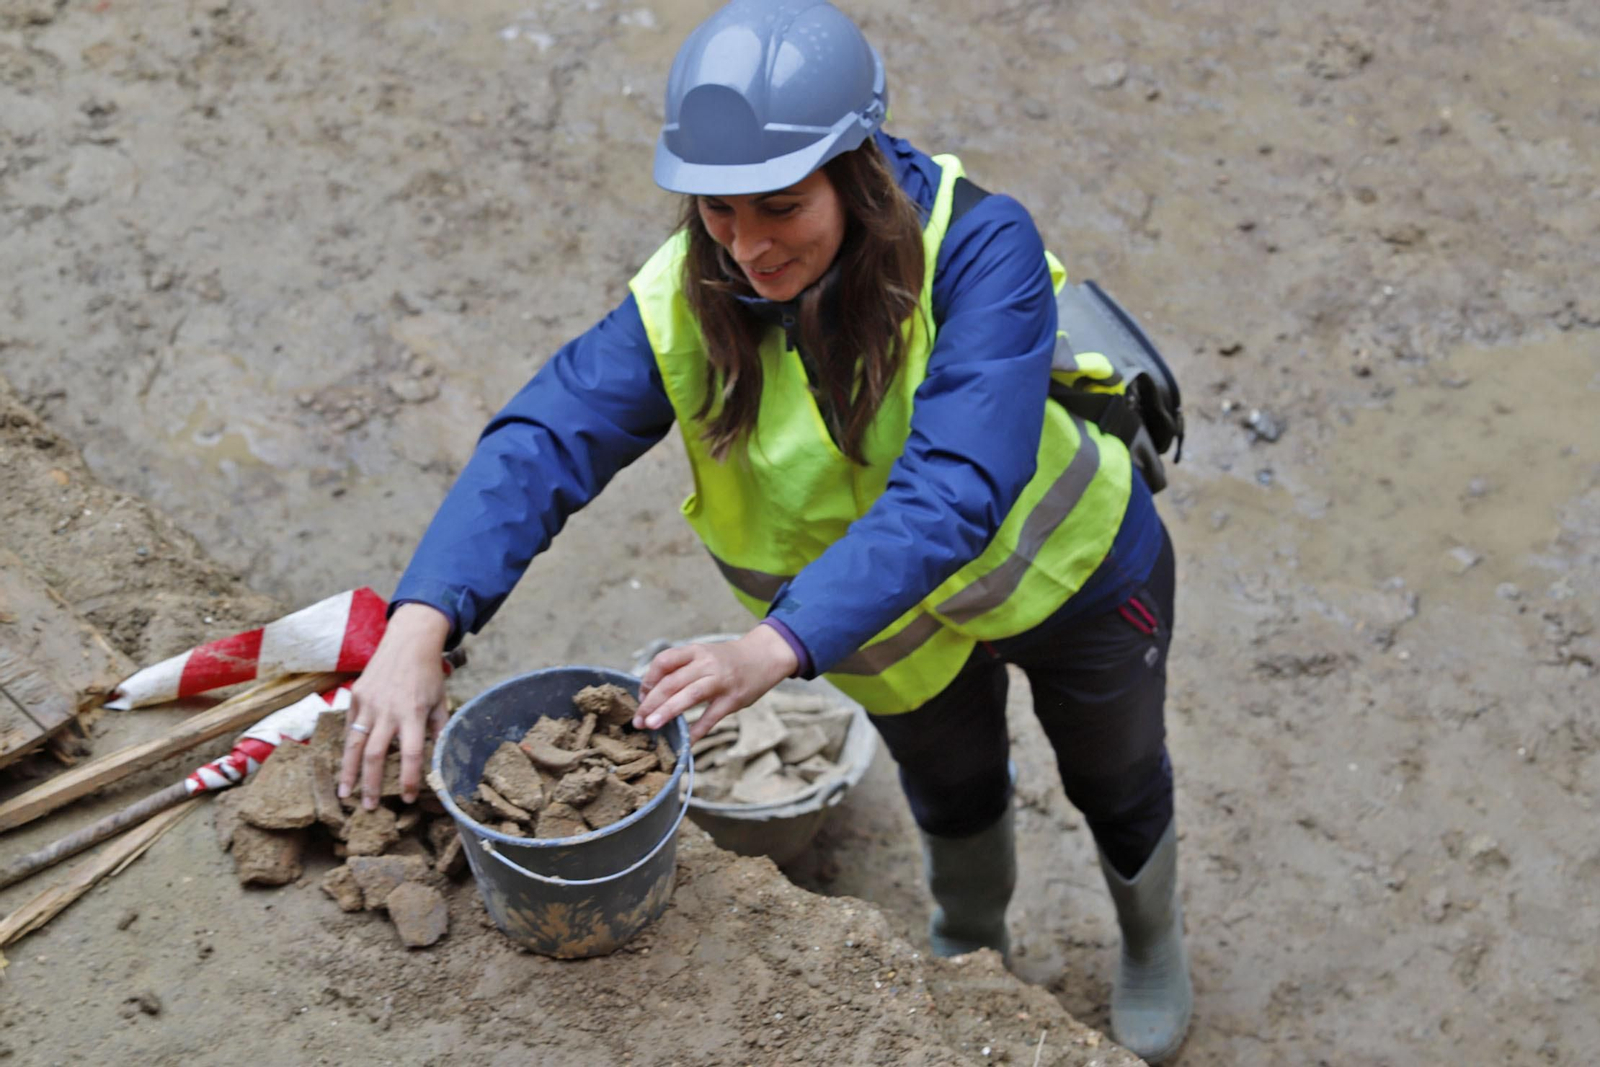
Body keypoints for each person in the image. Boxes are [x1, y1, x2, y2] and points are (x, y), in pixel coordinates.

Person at [336, 0, 1190, 1060]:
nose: (747, 248)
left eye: (782, 207)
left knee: (1115, 772)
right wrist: (420, 620)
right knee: (952, 783)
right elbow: (548, 436)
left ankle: (1150, 937)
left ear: (857, 171)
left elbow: (958, 482)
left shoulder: (978, 246)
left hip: (1072, 576)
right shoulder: (691, 291)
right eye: (718, 211)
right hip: (879, 623)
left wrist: (774, 643)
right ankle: (972, 942)